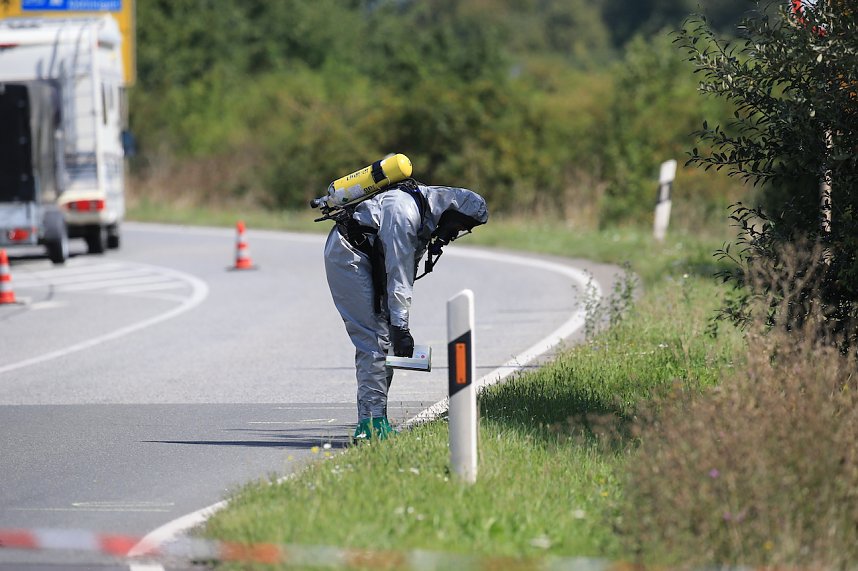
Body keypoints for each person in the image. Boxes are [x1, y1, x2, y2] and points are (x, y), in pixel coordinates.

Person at [323, 177, 489, 442]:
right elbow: (399, 272)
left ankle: (378, 418)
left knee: (383, 339)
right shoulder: (405, 211)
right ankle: (369, 425)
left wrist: (396, 321)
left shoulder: (424, 215)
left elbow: (403, 272)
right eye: (460, 225)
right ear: (452, 211)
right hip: (348, 256)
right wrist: (401, 326)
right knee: (373, 339)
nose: (457, 232)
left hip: (368, 256)